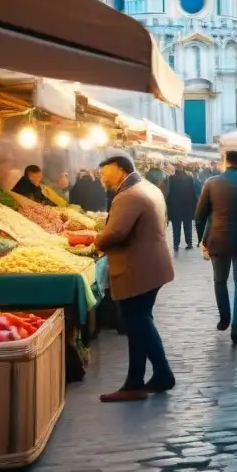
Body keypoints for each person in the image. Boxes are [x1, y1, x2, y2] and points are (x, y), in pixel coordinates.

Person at [94, 156, 175, 402]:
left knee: (138, 321)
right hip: (152, 266)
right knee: (139, 322)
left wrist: (96, 243)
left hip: (137, 268)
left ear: (120, 169)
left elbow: (116, 232)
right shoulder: (147, 187)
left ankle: (162, 374)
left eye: (104, 172)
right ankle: (135, 381)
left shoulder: (128, 195)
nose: (102, 178)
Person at [195, 150, 237, 345]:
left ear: (224, 162)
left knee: (220, 281)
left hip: (217, 238)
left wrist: (202, 238)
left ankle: (224, 317)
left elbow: (199, 215)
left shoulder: (211, 183)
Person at [166, 165, 199, 251]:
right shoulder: (189, 178)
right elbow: (194, 192)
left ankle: (176, 245)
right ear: (183, 168)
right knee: (187, 226)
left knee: (176, 227)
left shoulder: (171, 178)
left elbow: (168, 193)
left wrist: (168, 205)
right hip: (187, 207)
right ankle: (189, 243)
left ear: (175, 169)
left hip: (175, 207)